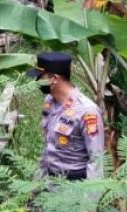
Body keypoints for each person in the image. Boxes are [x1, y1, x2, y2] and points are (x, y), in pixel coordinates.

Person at [28, 51, 105, 180]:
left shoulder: (87, 111)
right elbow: (48, 146)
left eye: (40, 77)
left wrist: (90, 199)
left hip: (74, 187)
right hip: (49, 181)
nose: (36, 81)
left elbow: (96, 160)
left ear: (53, 78)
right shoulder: (49, 101)